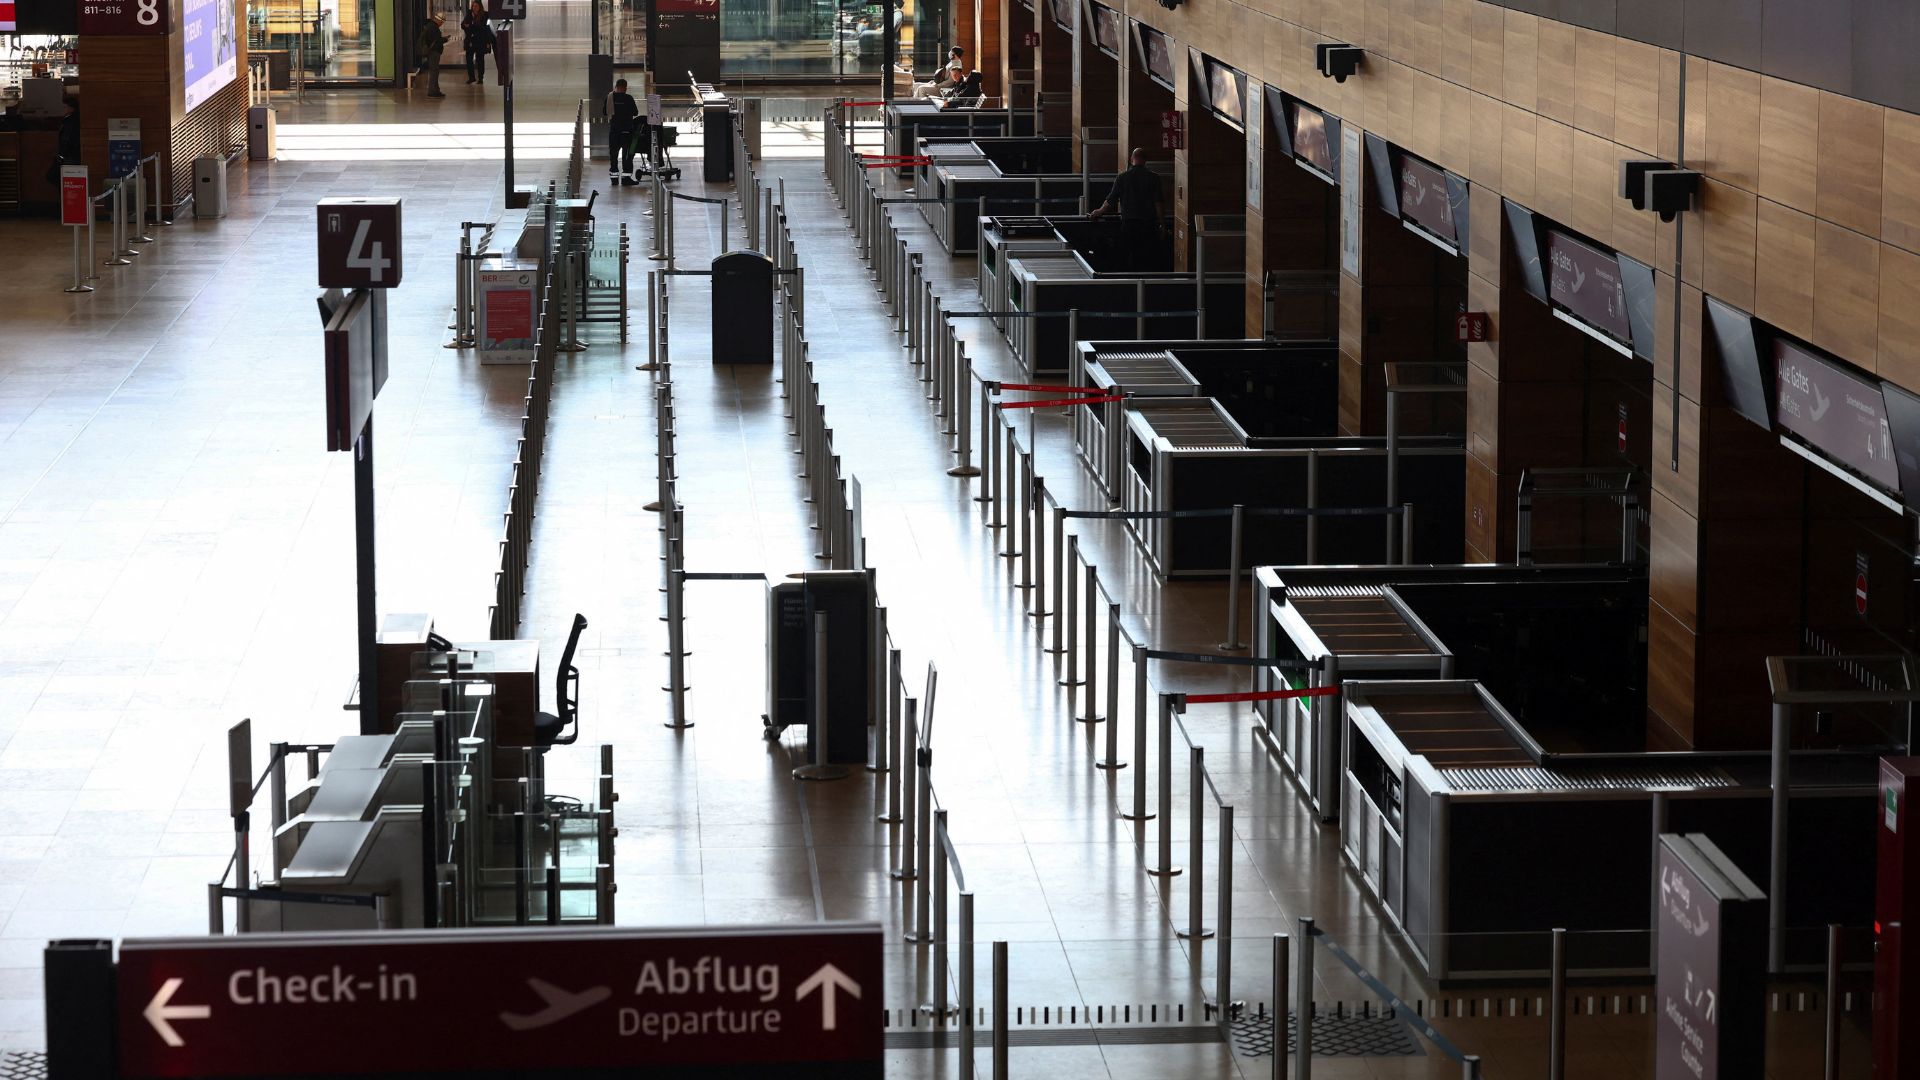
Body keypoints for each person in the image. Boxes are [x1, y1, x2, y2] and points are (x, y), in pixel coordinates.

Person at [1088, 147, 1162, 270]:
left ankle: (1130, 281)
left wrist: (1099, 211)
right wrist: (1162, 224)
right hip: (1148, 224)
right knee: (1146, 256)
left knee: (1128, 254)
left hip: (1129, 224)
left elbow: (1111, 201)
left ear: (1131, 159)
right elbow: (1158, 203)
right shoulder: (1154, 178)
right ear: (1145, 161)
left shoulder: (1122, 178)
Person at [607, 78, 642, 184]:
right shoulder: (628, 98)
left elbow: (605, 111)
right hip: (626, 131)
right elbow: (635, 112)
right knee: (627, 156)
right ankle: (626, 179)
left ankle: (614, 179)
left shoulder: (610, 98)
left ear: (616, 87)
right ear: (625, 87)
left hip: (614, 131)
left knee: (613, 155)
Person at [415, 13, 450, 98]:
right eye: (442, 22)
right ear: (439, 20)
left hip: (432, 52)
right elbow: (436, 41)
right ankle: (432, 91)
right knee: (434, 72)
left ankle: (436, 90)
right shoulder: (433, 28)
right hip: (433, 53)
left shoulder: (430, 26)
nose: (442, 24)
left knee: (435, 71)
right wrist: (445, 39)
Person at [461, 1, 495, 85]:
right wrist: (467, 25)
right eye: (473, 6)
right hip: (470, 41)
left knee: (480, 60)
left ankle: (480, 78)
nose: (474, 8)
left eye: (476, 6)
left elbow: (485, 28)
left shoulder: (484, 15)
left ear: (480, 7)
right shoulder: (469, 15)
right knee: (469, 60)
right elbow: (463, 25)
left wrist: (488, 41)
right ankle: (471, 77)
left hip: (480, 41)